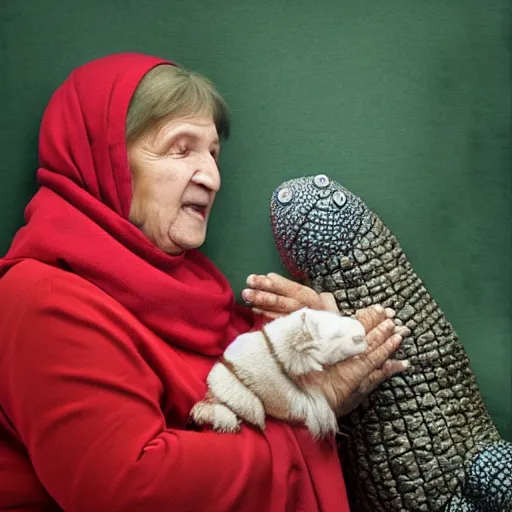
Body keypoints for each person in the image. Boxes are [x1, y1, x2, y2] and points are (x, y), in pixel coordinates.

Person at [0, 52, 406, 511]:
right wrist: (312, 409)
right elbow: (131, 490)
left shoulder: (199, 298)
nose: (212, 177)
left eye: (213, 153)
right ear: (105, 158)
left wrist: (304, 354)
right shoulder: (43, 300)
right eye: (181, 148)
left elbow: (231, 406)